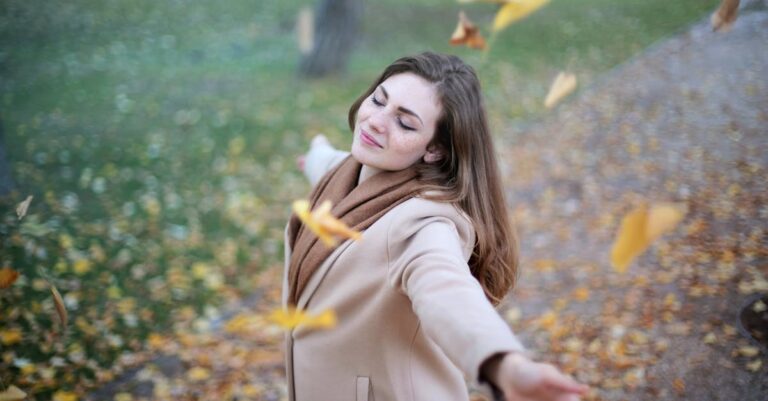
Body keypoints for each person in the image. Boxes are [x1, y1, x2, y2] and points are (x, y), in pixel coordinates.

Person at [284, 52, 588, 401]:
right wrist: (316, 154)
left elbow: (446, 291)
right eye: (378, 100)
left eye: (405, 123)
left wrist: (505, 365)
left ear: (435, 151)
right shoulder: (344, 172)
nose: (375, 122)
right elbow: (332, 165)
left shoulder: (425, 222)